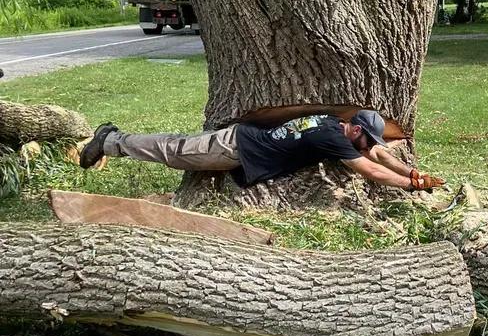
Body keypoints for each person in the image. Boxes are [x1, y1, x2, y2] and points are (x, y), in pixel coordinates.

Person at [80, 109, 445, 192]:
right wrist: (412, 186)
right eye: (369, 141)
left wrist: (411, 173)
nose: (370, 149)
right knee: (174, 151)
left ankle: (115, 140)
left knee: (176, 147)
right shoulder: (336, 140)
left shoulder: (335, 123)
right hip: (235, 146)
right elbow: (372, 170)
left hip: (242, 144)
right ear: (358, 132)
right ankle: (112, 140)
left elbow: (380, 157)